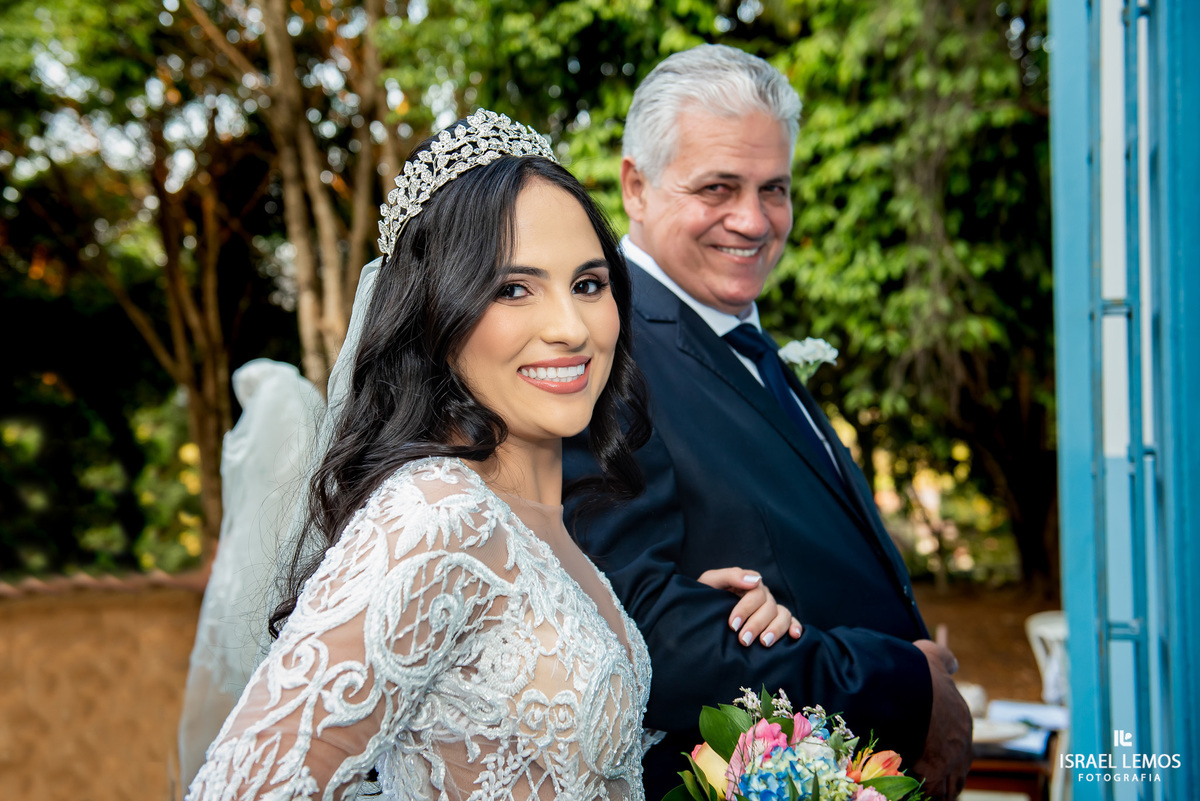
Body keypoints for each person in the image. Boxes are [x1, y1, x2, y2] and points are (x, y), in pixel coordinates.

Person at [185, 109, 800, 801]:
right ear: (435, 316)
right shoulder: (436, 516)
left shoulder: (550, 527)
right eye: (513, 289)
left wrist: (715, 614)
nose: (569, 327)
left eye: (588, 284)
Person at [563, 45, 974, 800]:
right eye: (718, 186)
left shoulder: (735, 334)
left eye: (774, 189)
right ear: (636, 186)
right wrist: (902, 685)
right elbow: (639, 626)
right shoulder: (606, 356)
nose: (753, 221)